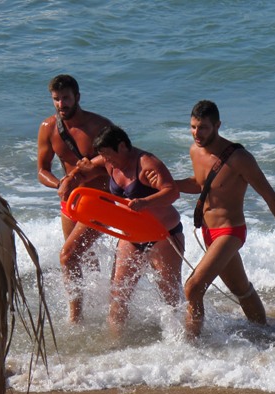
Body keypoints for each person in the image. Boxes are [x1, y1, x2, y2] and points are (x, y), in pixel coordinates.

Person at [176, 100, 275, 338]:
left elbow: (269, 195)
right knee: (240, 289)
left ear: (217, 125)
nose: (196, 134)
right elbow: (200, 184)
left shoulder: (239, 158)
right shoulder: (195, 151)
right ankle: (265, 336)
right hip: (208, 231)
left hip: (230, 231)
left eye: (203, 128)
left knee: (193, 288)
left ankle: (191, 347)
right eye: (192, 127)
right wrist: (164, 186)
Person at [59, 125, 185, 335]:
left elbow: (172, 193)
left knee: (170, 298)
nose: (106, 161)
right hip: (131, 236)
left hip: (164, 236)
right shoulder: (109, 162)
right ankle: (115, 346)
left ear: (122, 146)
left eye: (109, 156)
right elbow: (85, 168)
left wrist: (145, 202)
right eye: (104, 157)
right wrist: (70, 180)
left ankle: (182, 344)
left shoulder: (147, 164)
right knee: (118, 298)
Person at [37, 74, 113, 322]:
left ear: (77, 97)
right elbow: (42, 170)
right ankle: (100, 306)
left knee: (68, 256)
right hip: (71, 201)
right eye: (56, 100)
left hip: (101, 201)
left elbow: (119, 162)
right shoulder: (48, 128)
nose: (61, 105)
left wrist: (81, 174)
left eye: (66, 99)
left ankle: (75, 319)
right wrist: (59, 183)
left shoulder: (99, 126)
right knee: (85, 258)